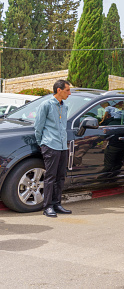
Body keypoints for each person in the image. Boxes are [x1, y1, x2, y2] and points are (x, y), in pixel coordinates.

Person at [34, 80, 73, 218]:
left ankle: (57, 204)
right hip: (50, 145)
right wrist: (42, 143)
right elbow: (38, 127)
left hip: (63, 146)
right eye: (67, 90)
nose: (69, 93)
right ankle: (48, 207)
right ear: (58, 90)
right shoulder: (46, 105)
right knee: (50, 177)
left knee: (61, 176)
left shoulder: (65, 107)